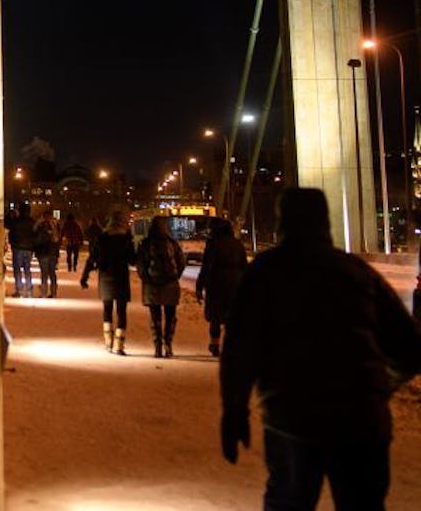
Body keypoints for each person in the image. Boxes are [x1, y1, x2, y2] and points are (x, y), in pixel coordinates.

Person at [220, 187, 421, 509]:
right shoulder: (358, 272)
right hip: (362, 420)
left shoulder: (265, 272)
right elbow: (409, 348)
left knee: (288, 501)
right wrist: (378, 387)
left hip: (293, 416)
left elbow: (240, 349)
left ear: (282, 219)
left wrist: (234, 410)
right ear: (325, 221)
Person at [80, 210, 135, 354]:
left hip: (106, 278)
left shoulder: (102, 237)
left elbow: (92, 258)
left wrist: (84, 276)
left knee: (107, 309)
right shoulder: (126, 238)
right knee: (122, 311)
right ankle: (119, 344)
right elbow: (133, 260)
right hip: (121, 277)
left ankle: (108, 341)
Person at [136, 214, 187, 357]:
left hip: (152, 285)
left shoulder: (145, 243)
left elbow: (140, 264)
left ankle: (157, 346)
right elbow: (181, 262)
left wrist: (146, 278)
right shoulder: (172, 243)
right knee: (170, 316)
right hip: (170, 284)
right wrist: (175, 277)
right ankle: (168, 345)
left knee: (155, 317)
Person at [196, 217, 248, 356]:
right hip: (235, 285)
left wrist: (199, 287)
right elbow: (244, 266)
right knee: (233, 316)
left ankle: (215, 344)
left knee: (215, 317)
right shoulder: (238, 244)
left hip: (216, 284)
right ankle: (232, 345)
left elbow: (206, 266)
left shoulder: (213, 244)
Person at [8, 203, 38, 298]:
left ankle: (19, 290)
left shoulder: (16, 221)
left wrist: (12, 244)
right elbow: (35, 235)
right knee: (27, 269)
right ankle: (29, 290)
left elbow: (11, 234)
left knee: (17, 270)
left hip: (17, 247)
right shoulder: (32, 222)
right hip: (28, 248)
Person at [33, 211, 62, 298]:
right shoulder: (56, 225)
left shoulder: (40, 225)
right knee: (52, 273)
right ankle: (53, 293)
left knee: (44, 273)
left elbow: (34, 233)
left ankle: (44, 293)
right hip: (53, 252)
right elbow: (58, 239)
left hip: (43, 252)